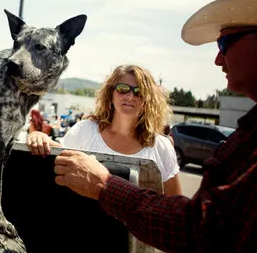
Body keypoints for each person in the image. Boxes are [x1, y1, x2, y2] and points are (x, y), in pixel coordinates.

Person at [53, 0, 257, 252]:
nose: (217, 59)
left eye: (224, 42)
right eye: (122, 89)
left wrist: (104, 185)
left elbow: (202, 230)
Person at [28, 65, 182, 196]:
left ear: (148, 100)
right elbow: (60, 161)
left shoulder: (160, 146)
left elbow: (174, 206)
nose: (130, 96)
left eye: (139, 91)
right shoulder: (85, 130)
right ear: (111, 94)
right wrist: (38, 136)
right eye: (123, 89)